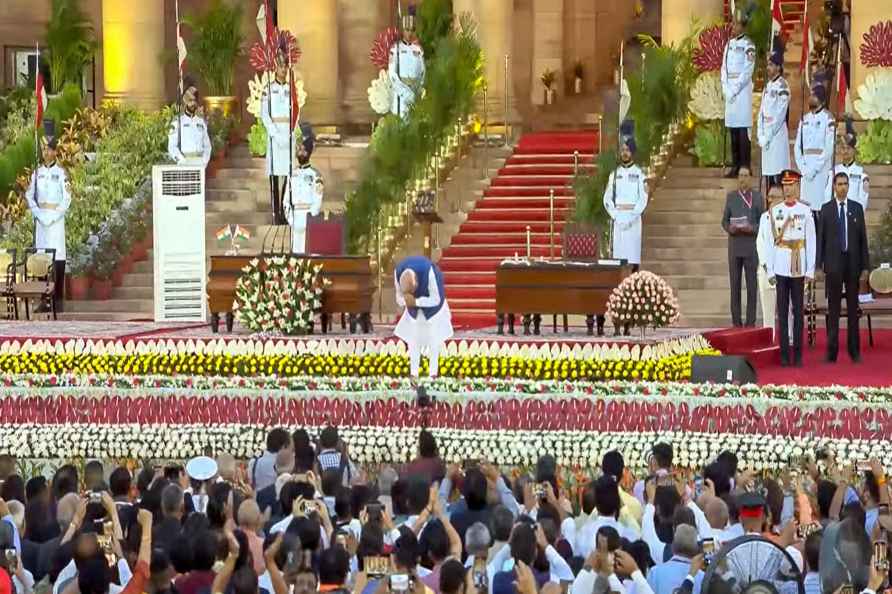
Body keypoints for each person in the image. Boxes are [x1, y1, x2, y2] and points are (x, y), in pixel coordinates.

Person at [817, 172, 870, 363]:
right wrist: (817, 265)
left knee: (853, 310)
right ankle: (831, 352)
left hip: (853, 265)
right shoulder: (827, 209)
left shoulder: (856, 209)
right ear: (834, 186)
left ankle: (854, 351)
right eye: (839, 184)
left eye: (846, 184)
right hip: (833, 265)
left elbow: (863, 239)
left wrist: (866, 267)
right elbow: (820, 240)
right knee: (833, 310)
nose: (843, 187)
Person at [766, 170, 816, 367]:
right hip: (780, 264)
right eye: (785, 185)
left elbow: (810, 241)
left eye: (791, 185)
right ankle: (784, 353)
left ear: (797, 186)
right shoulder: (775, 210)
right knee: (783, 312)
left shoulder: (805, 211)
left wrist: (810, 269)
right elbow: (772, 243)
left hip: (798, 265)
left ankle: (798, 354)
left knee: (798, 311)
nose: (787, 189)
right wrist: (770, 269)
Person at [24, 120, 71, 314]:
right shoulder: (37, 173)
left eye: (50, 149)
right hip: (41, 220)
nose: (46, 153)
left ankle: (58, 298)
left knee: (58, 257)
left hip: (56, 221)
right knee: (42, 258)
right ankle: (44, 298)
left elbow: (67, 198)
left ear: (55, 151)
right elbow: (29, 195)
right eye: (44, 149)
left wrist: (54, 216)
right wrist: (37, 213)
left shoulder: (61, 173)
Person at [394, 256, 454, 378]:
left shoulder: (430, 272)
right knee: (414, 338)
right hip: (413, 308)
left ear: (416, 281)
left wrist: (416, 302)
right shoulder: (398, 272)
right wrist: (406, 301)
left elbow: (436, 299)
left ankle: (433, 374)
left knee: (433, 338)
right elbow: (399, 299)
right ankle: (413, 374)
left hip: (433, 308)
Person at [260, 46, 298, 226]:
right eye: (281, 66)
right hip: (275, 135)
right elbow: (264, 114)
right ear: (275, 66)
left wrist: (290, 133)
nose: (283, 69)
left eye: (286, 66)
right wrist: (275, 133)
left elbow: (296, 112)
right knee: (275, 174)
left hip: (288, 133)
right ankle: (275, 213)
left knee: (288, 174)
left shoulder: (292, 90)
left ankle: (285, 210)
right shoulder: (268, 89)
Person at [721, 167, 763, 327]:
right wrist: (729, 228)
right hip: (735, 246)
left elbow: (763, 222)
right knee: (735, 285)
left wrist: (751, 228)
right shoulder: (731, 197)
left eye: (746, 175)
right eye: (740, 175)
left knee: (752, 286)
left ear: (751, 178)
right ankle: (736, 322)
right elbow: (724, 220)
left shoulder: (758, 197)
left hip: (751, 246)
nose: (743, 178)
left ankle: (750, 321)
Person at [720, 9, 756, 178]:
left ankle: (745, 165)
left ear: (742, 26)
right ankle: (735, 166)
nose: (732, 26)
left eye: (735, 24)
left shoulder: (748, 46)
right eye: (732, 23)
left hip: (741, 93)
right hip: (730, 92)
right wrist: (725, 88)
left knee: (742, 130)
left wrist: (734, 89)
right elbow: (724, 68)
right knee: (733, 130)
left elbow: (747, 70)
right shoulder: (729, 44)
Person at [794, 79, 835, 215]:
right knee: (806, 208)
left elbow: (828, 148)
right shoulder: (804, 119)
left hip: (820, 170)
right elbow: (797, 147)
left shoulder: (828, 118)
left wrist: (815, 169)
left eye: (814, 96)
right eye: (811, 95)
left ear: (822, 100)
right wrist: (803, 168)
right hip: (806, 170)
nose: (811, 98)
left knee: (821, 207)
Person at [284, 123, 323, 254]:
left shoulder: (315, 175)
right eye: (299, 150)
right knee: (295, 255)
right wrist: (290, 218)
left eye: (303, 150)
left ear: (308, 153)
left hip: (309, 217)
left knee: (308, 253)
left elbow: (318, 199)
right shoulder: (292, 174)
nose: (301, 153)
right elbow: (286, 200)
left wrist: (311, 217)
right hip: (294, 218)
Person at [757, 40, 791, 189]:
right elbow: (761, 113)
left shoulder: (783, 86)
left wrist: (768, 135)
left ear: (778, 67)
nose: (768, 68)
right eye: (768, 65)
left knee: (778, 176)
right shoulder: (768, 86)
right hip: (766, 138)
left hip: (776, 137)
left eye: (771, 65)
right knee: (768, 179)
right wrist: (760, 133)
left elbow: (779, 116)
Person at [825, 117, 870, 211]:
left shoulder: (861, 173)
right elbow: (827, 196)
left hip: (853, 214)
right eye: (843, 148)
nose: (845, 151)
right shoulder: (833, 171)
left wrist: (859, 215)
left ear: (854, 151)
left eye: (848, 148)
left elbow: (863, 199)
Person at [389, 4, 425, 119]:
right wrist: (404, 92)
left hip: (415, 93)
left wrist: (417, 90)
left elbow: (423, 72)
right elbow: (392, 74)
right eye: (407, 30)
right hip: (401, 95)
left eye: (412, 30)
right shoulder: (396, 49)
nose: (409, 33)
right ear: (403, 31)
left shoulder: (418, 50)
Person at [756, 185, 783, 338]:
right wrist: (765, 263)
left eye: (775, 197)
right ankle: (769, 338)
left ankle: (789, 338)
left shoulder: (788, 216)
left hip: (783, 269)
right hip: (766, 270)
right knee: (768, 309)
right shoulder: (763, 217)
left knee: (786, 310)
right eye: (770, 197)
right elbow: (760, 242)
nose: (771, 200)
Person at [166, 77, 211, 168]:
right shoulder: (177, 122)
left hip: (200, 164)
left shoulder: (201, 122)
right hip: (184, 164)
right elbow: (172, 146)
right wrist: (181, 161)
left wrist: (204, 161)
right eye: (190, 101)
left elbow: (207, 145)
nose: (192, 104)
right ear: (185, 102)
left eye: (194, 100)